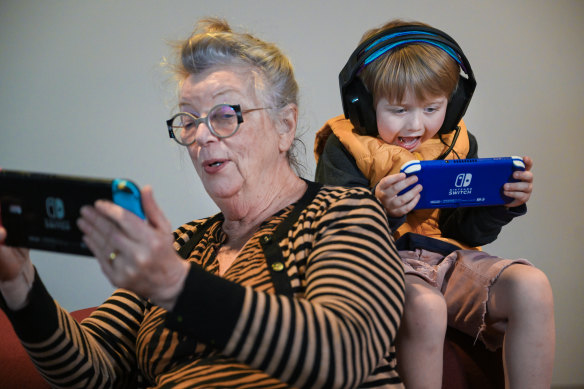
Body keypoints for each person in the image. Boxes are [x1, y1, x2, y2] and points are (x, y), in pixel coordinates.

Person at [0, 18, 406, 388]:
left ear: (285, 126)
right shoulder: (182, 245)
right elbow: (92, 373)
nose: (202, 136)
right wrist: (19, 285)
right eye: (189, 120)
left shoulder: (345, 211)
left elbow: (341, 355)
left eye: (225, 114)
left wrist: (177, 286)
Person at [314, 19, 555, 389]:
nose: (416, 125)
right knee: (426, 307)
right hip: (385, 262)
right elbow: (333, 234)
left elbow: (465, 231)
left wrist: (500, 203)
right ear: (363, 104)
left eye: (432, 109)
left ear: (454, 103)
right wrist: (381, 210)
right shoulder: (342, 146)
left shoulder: (458, 142)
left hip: (450, 259)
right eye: (399, 110)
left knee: (531, 285)